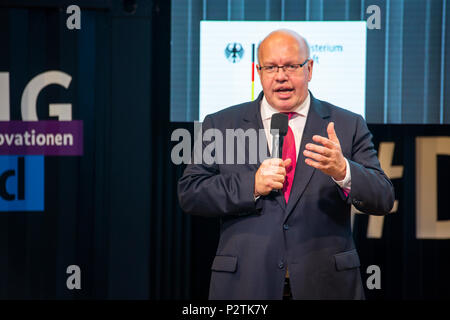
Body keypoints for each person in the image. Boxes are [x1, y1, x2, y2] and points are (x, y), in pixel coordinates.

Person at [178, 29, 394, 300]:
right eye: (271, 67)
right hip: (246, 284)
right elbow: (191, 193)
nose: (281, 76)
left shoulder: (346, 124)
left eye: (292, 66)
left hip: (326, 285)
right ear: (258, 71)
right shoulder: (221, 124)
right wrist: (251, 185)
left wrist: (344, 172)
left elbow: (383, 197)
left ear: (310, 68)